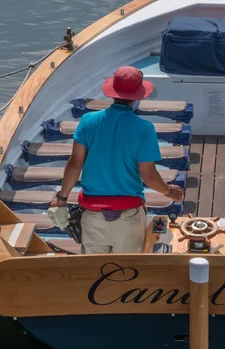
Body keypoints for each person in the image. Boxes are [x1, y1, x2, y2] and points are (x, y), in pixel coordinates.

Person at [48, 66, 184, 253]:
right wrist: (168, 191)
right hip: (128, 218)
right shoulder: (144, 129)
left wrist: (62, 198)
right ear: (138, 96)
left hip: (92, 215)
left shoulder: (88, 121)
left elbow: (75, 164)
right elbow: (148, 175)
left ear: (113, 92)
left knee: (96, 273)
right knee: (128, 273)